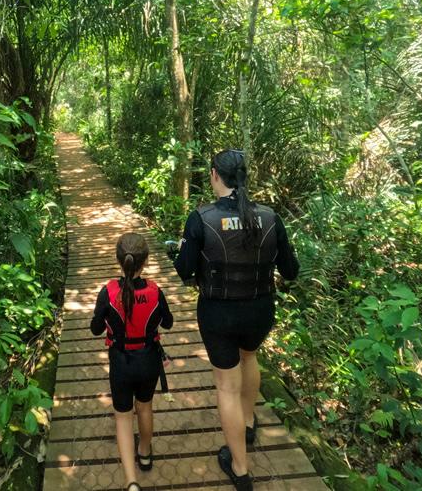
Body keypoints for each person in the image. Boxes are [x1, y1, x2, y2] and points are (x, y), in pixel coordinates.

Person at [173, 149, 299, 491]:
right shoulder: (271, 217)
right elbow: (291, 271)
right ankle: (247, 422)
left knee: (227, 385)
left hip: (219, 314)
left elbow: (184, 270)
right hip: (260, 310)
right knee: (250, 356)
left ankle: (240, 469)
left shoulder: (201, 218)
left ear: (215, 174)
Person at [90, 232, 174, 491]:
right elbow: (168, 322)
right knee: (145, 407)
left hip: (121, 363)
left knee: (124, 418)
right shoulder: (155, 291)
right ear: (145, 262)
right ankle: (145, 452)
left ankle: (131, 482)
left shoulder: (108, 293)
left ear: (119, 261)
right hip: (148, 360)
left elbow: (95, 329)